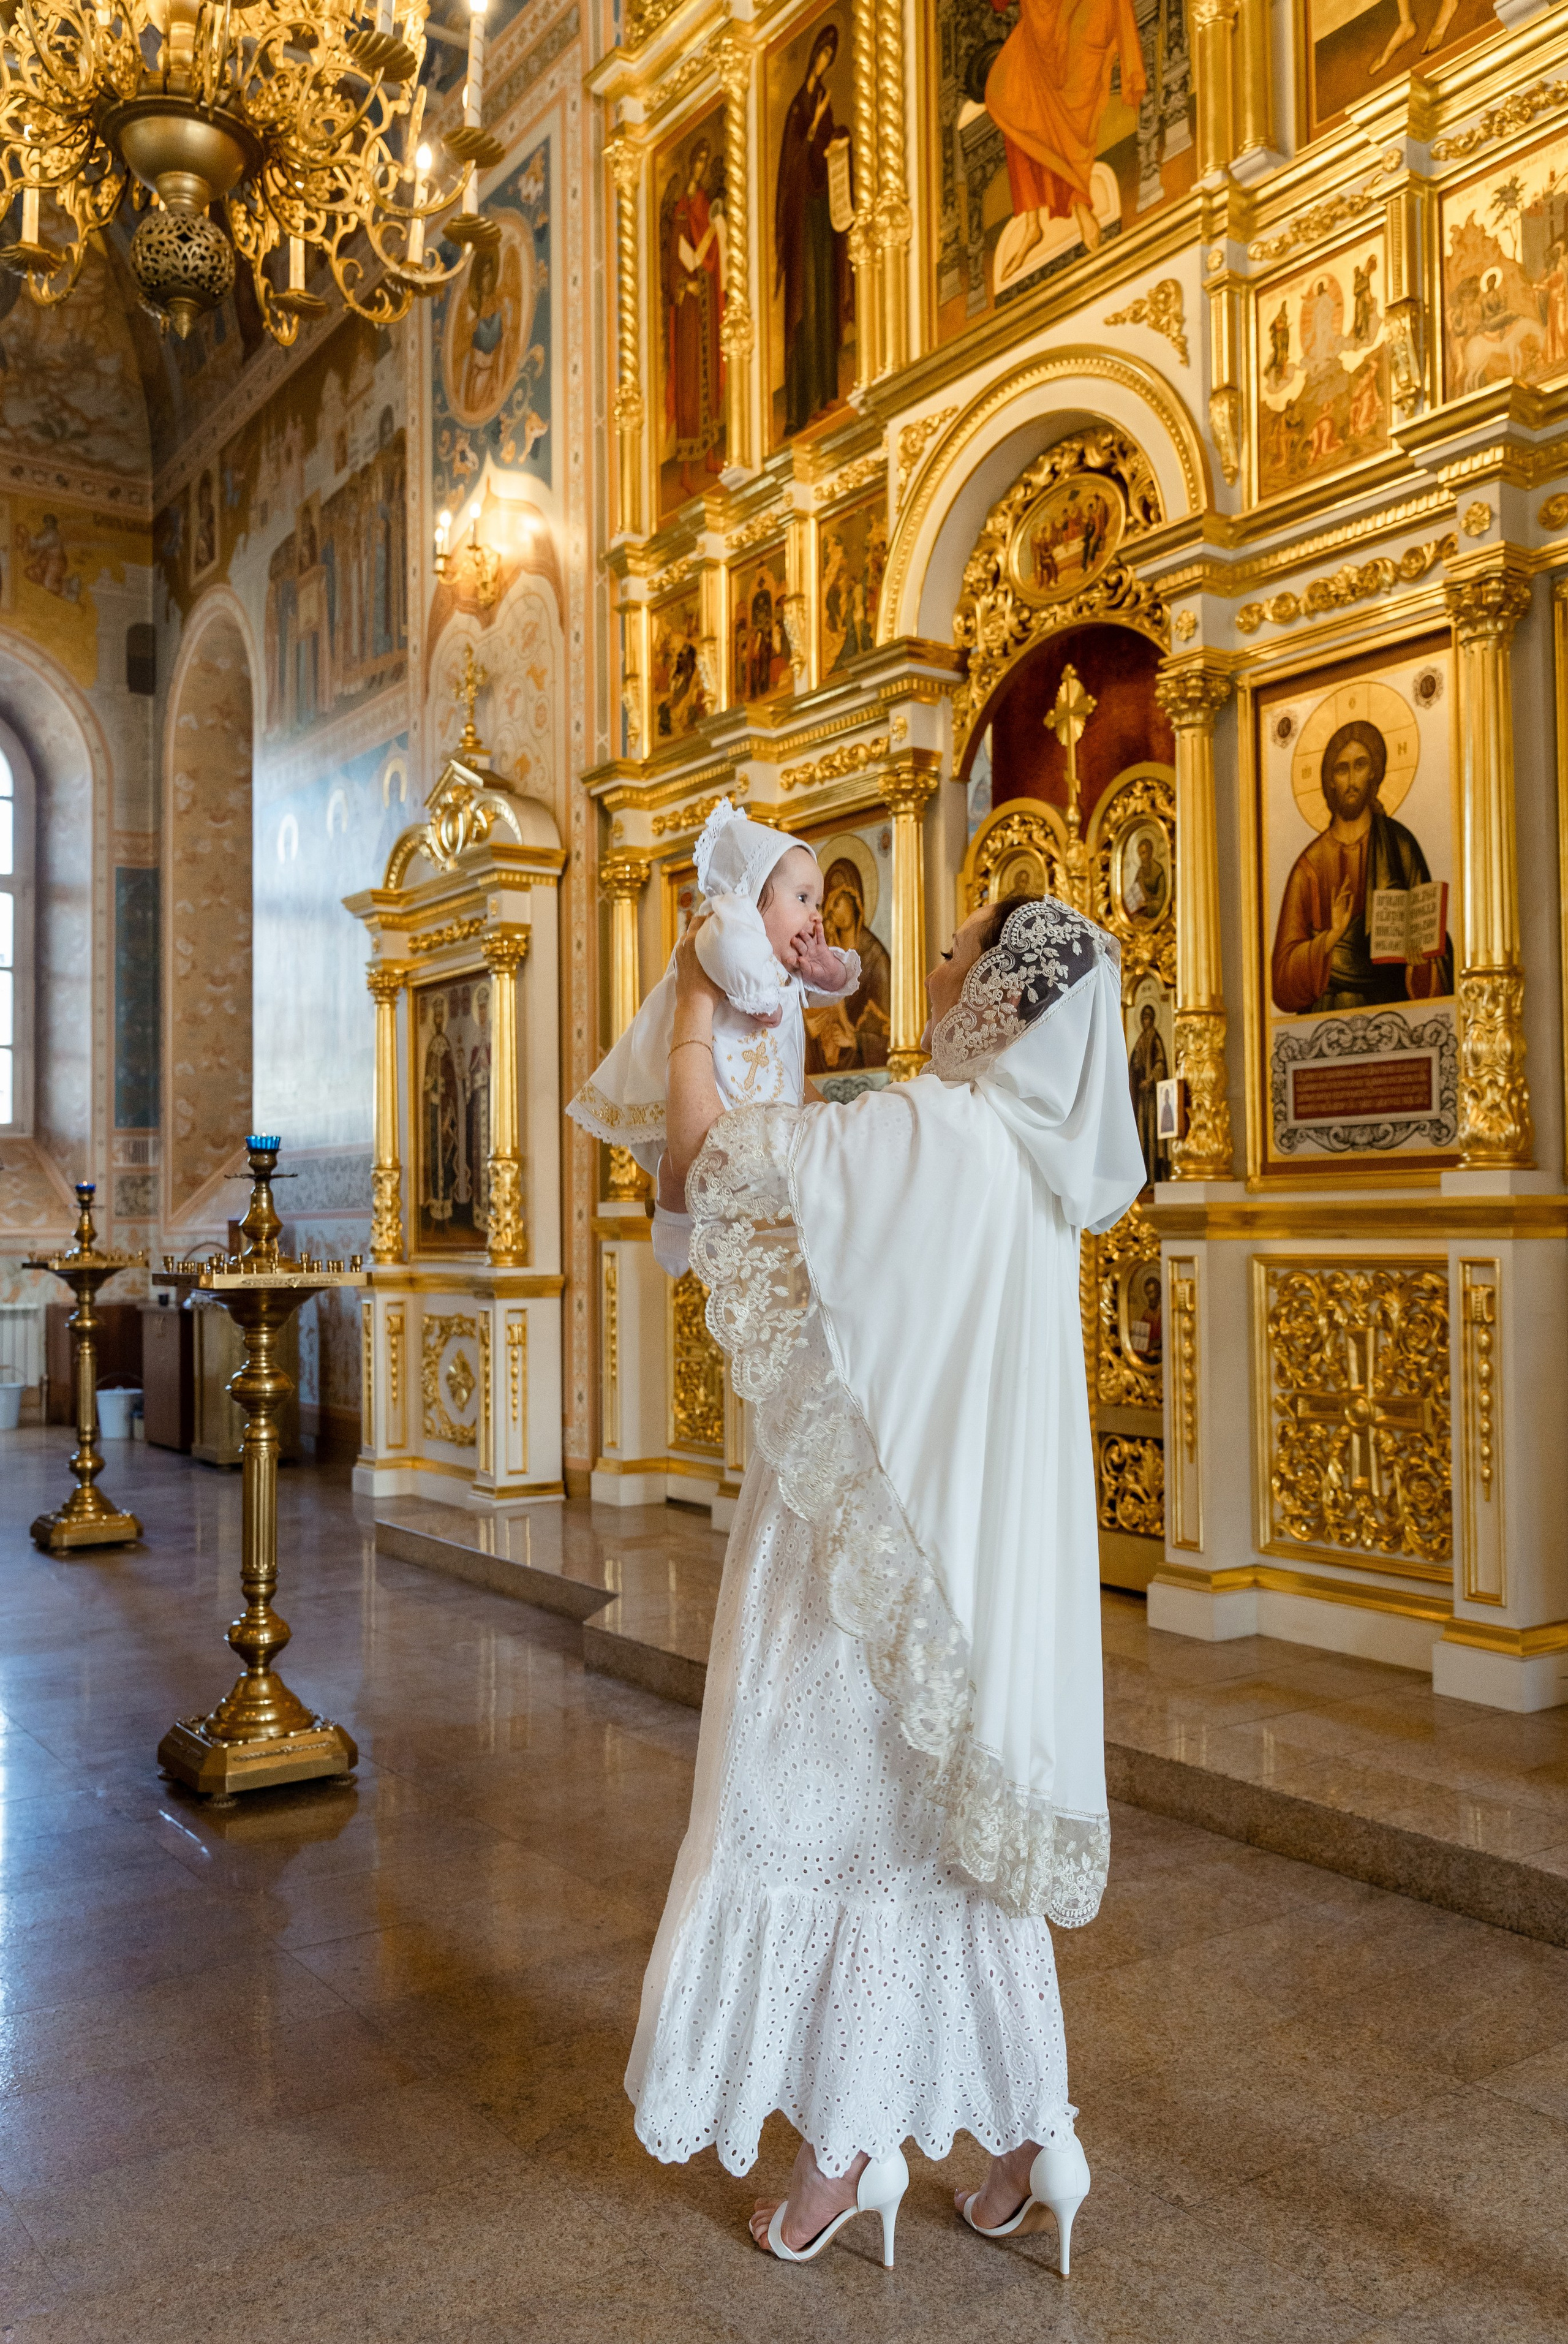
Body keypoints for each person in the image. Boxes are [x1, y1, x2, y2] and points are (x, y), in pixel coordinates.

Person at [626, 890, 1145, 2267]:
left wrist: (693, 994)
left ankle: (844, 2151)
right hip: (977, 1591)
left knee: (827, 1824)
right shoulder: (1032, 1162)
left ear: (997, 999)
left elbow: (691, 1170)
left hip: (857, 1577)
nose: (935, 957)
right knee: (946, 1853)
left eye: (960, 947)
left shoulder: (926, 1132)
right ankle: (1037, 2137)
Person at [567, 801, 863, 1272]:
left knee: (745, 1174)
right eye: (802, 899)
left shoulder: (785, 961)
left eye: (820, 903)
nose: (816, 918)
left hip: (765, 1099)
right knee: (692, 1159)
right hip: (716, 1076)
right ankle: (671, 1206)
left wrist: (830, 972)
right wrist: (763, 998)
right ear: (750, 895)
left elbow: (831, 981)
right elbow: (731, 952)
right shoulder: (724, 924)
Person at [1270, 719, 1451, 1014]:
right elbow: (1282, 979)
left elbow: (1429, 933)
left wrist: (1423, 962)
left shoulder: (1400, 846)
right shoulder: (1309, 866)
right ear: (1330, 780)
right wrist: (1331, 938)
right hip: (1324, 1025)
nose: (1352, 780)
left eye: (1361, 765)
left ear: (1374, 774)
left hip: (1393, 1017)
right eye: (1342, 769)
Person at [984, 0, 1145, 268]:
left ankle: (1080, 206)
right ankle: (1033, 222)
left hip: (1080, 14)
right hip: (1040, 23)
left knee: (1053, 104)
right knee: (1007, 92)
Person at [775, 25, 852, 436]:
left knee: (824, 301)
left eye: (830, 58)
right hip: (801, 217)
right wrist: (815, 124)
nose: (824, 62)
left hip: (822, 213)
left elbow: (822, 157)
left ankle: (827, 393)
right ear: (813, 58)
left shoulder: (825, 101)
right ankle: (798, 408)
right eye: (821, 55)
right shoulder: (799, 106)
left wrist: (839, 142)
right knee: (804, 307)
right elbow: (793, 163)